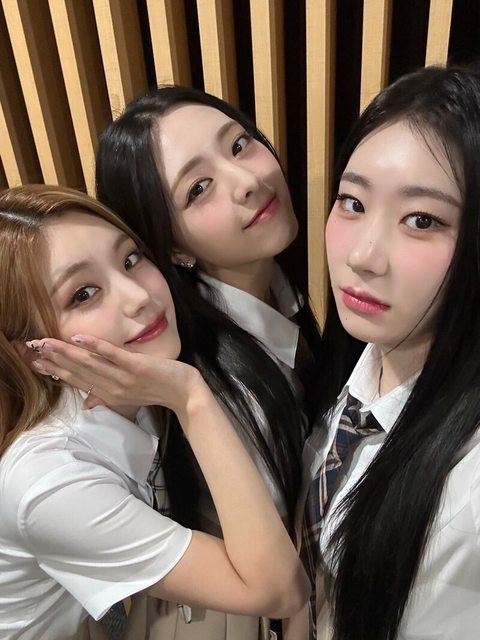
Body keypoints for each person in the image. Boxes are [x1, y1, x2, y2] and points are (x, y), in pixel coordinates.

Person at [0, 185, 309, 640]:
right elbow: (280, 590)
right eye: (83, 294)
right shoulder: (50, 482)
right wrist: (190, 398)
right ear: (33, 354)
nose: (138, 296)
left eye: (130, 259)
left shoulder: (125, 383)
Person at [304, 65, 480, 640]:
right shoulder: (360, 355)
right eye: (352, 202)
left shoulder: (466, 494)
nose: (362, 255)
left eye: (421, 220)